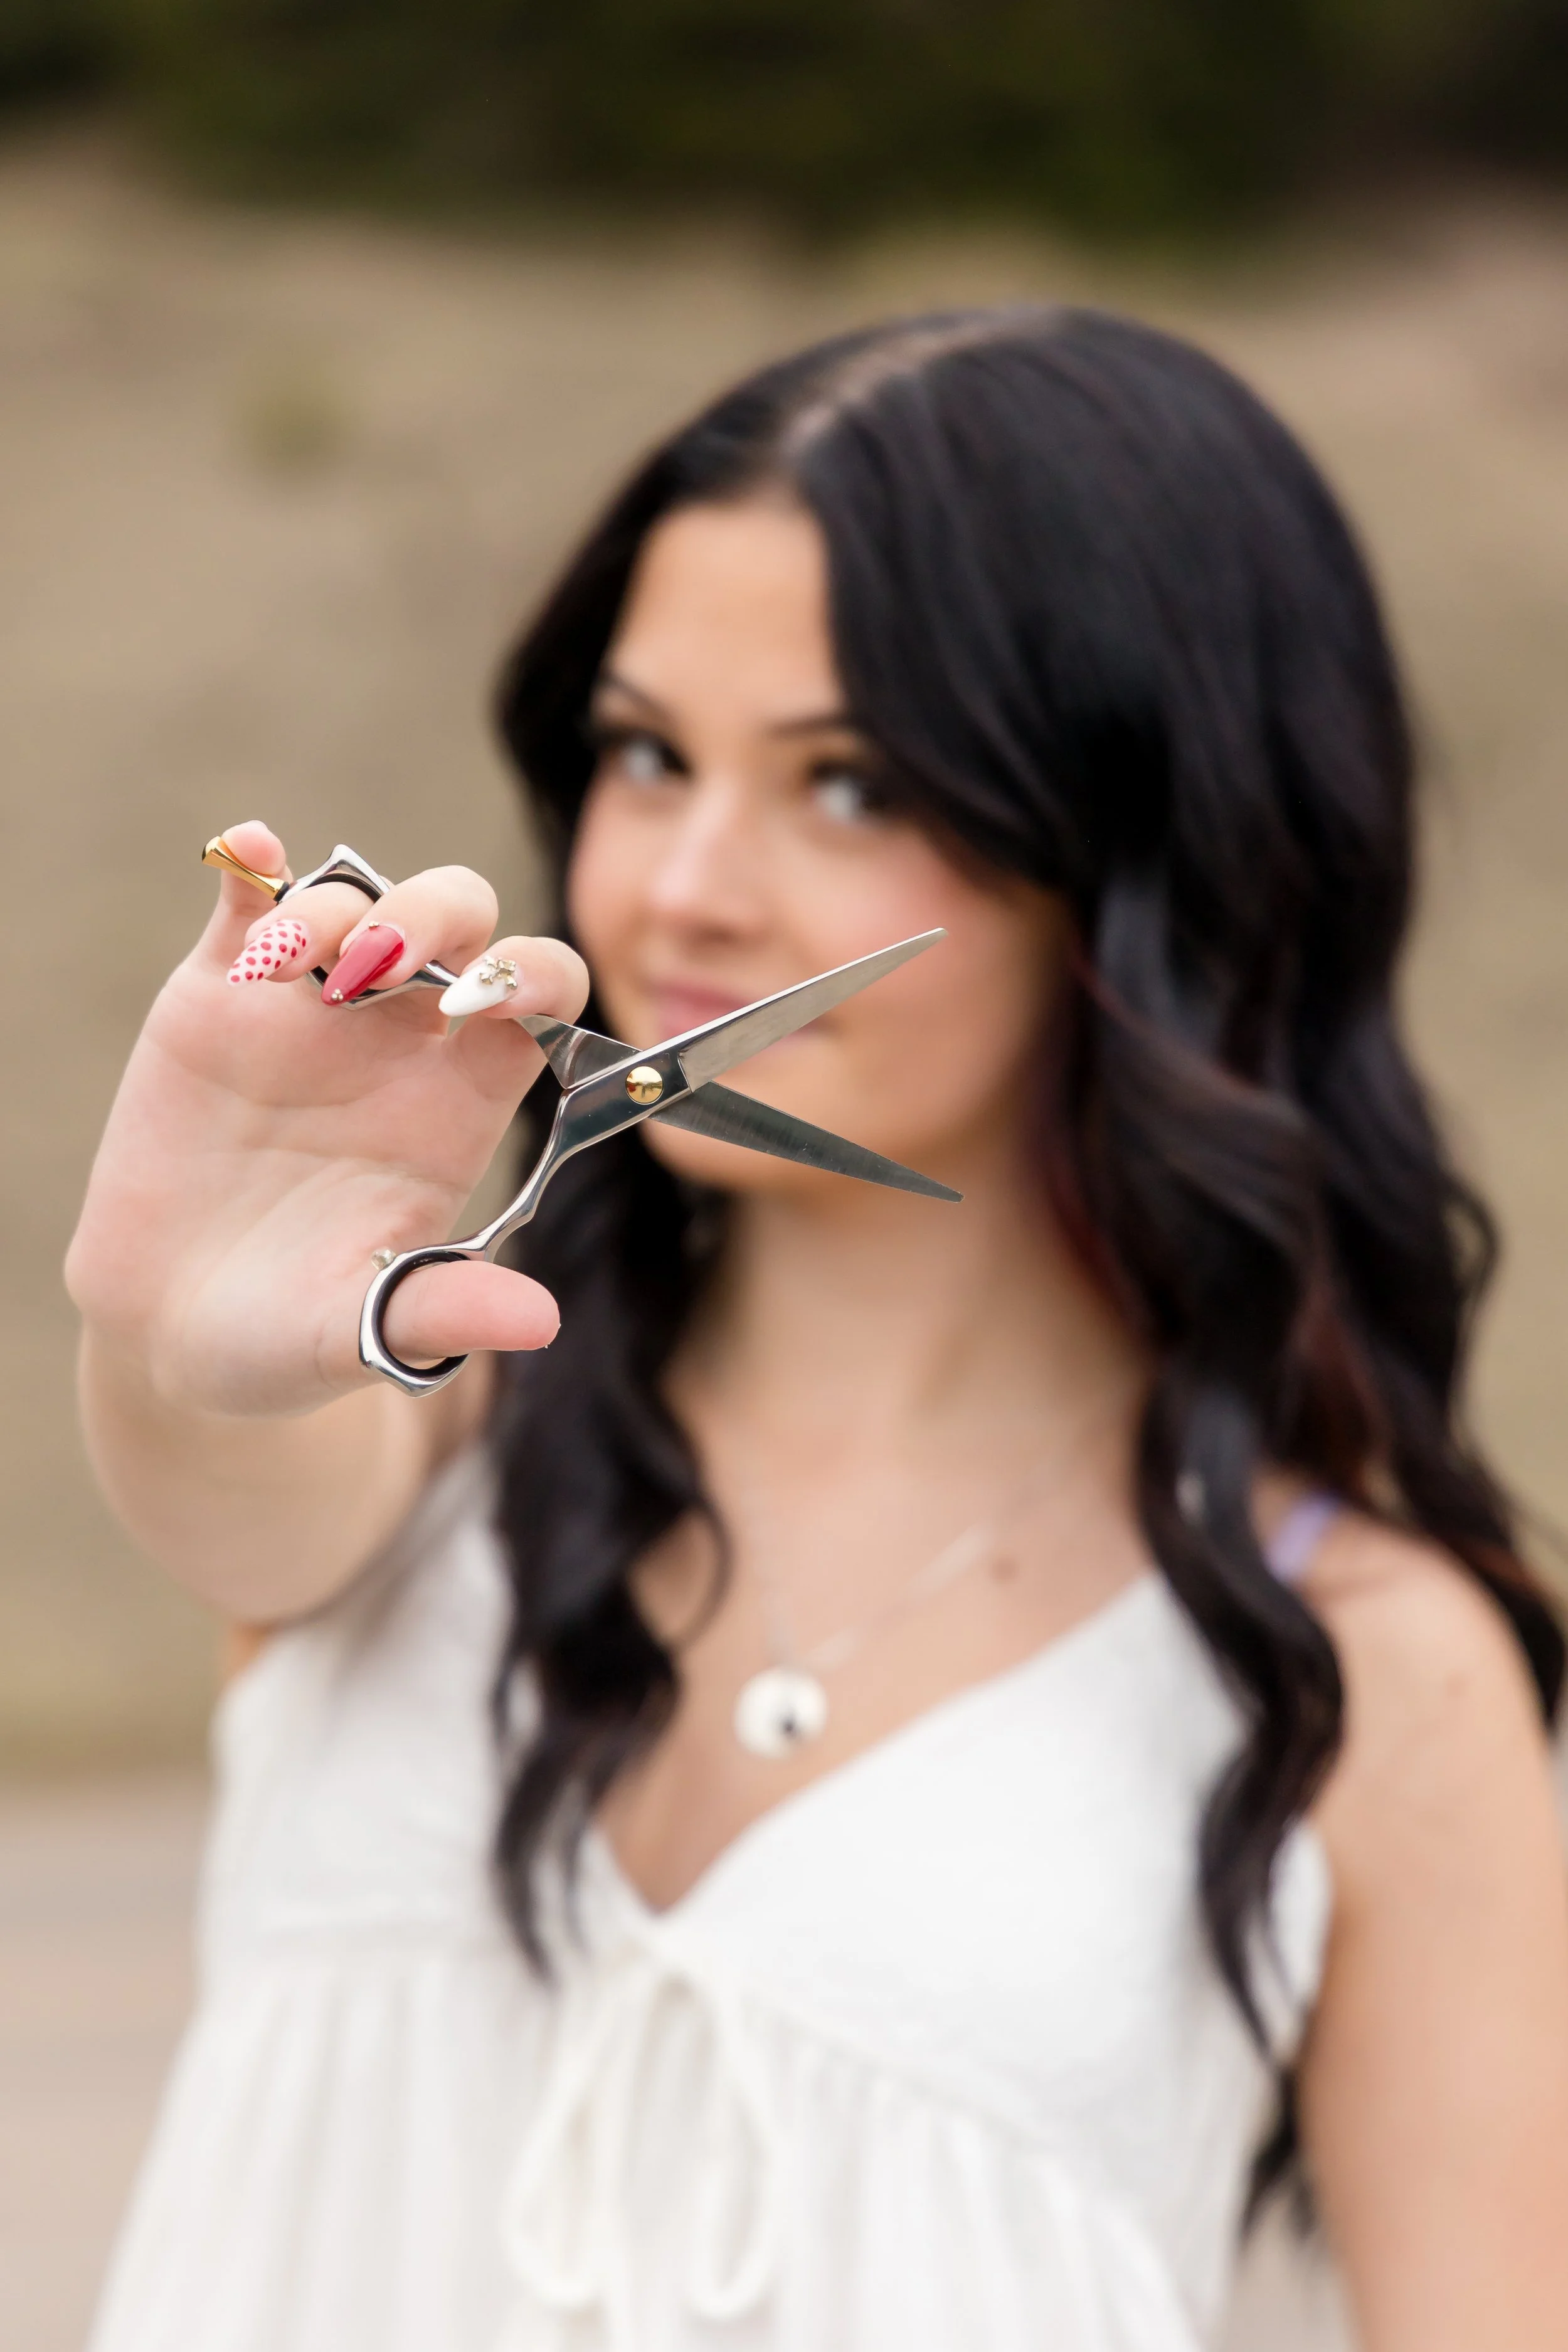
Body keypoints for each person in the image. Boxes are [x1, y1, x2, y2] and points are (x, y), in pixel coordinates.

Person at [68, 307, 1568, 2352]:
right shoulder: (432, 1413)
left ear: (1146, 856)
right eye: (643, 751)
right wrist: (176, 1330)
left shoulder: (1366, 1668)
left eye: (849, 783)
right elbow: (227, 1472)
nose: (685, 885)